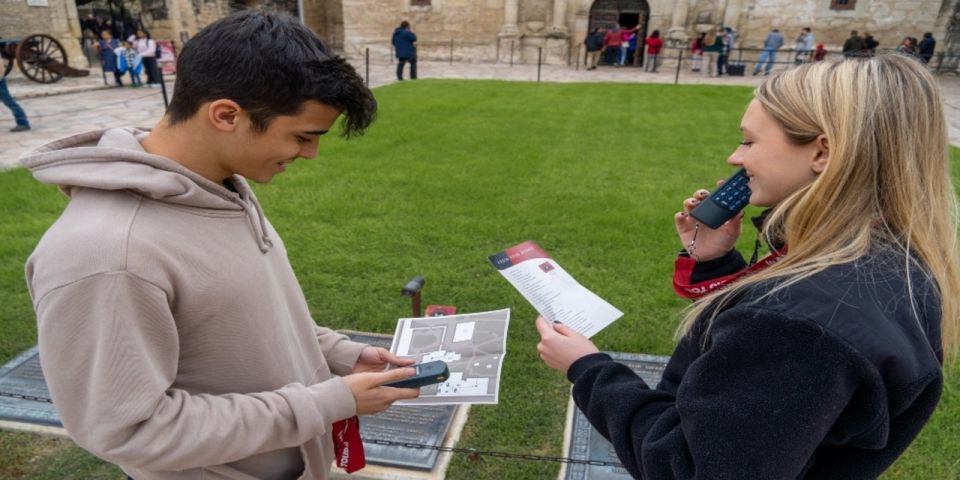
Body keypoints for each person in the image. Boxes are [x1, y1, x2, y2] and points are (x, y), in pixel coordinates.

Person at [21, 10, 420, 480]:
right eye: (303, 135)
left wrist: (340, 354)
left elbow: (248, 315)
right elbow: (127, 430)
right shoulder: (108, 255)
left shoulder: (218, 186)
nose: (310, 153)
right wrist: (328, 402)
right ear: (226, 115)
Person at [536, 54, 957, 479]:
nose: (735, 158)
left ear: (822, 151)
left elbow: (688, 467)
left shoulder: (795, 325)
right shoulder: (895, 262)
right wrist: (716, 259)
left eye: (750, 141)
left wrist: (588, 369)